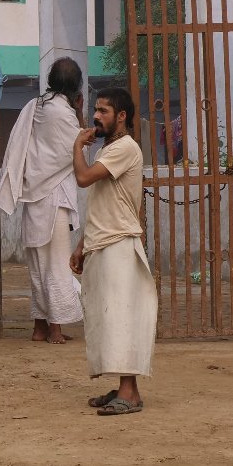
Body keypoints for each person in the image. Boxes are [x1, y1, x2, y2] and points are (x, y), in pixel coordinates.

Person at [69, 87, 155, 415]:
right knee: (106, 318)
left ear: (121, 116)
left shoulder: (125, 148)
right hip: (103, 243)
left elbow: (83, 179)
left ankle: (130, 392)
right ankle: (123, 387)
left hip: (119, 244)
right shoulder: (110, 148)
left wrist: (77, 146)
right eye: (95, 109)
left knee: (121, 318)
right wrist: (82, 246)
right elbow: (100, 203)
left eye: (103, 111)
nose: (95, 116)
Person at [0, 57, 85, 343]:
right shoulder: (64, 112)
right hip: (54, 195)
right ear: (75, 86)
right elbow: (78, 147)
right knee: (56, 262)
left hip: (33, 195)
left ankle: (39, 326)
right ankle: (55, 326)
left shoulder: (35, 106)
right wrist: (80, 112)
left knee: (37, 263)